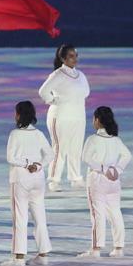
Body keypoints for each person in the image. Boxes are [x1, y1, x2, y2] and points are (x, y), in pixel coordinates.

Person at [0, 101, 53, 266]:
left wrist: (26, 164)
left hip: (21, 178)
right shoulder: (38, 134)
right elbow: (50, 154)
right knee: (40, 217)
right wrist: (38, 165)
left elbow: (10, 158)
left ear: (18, 115)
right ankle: (43, 254)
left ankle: (19, 257)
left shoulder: (15, 134)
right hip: (38, 178)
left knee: (20, 218)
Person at [79, 107, 131, 258]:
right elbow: (127, 155)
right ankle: (119, 247)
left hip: (98, 179)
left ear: (98, 120)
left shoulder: (93, 139)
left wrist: (104, 168)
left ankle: (96, 249)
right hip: (114, 180)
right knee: (115, 211)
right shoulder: (116, 140)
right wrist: (117, 170)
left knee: (98, 214)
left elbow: (86, 158)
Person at [38, 44, 90, 191]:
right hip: (60, 117)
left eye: (76, 56)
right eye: (71, 56)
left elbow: (86, 92)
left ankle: (76, 178)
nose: (75, 59)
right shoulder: (58, 74)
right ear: (63, 58)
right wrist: (53, 101)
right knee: (60, 148)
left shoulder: (80, 75)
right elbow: (43, 91)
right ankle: (54, 180)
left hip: (78, 117)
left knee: (75, 148)